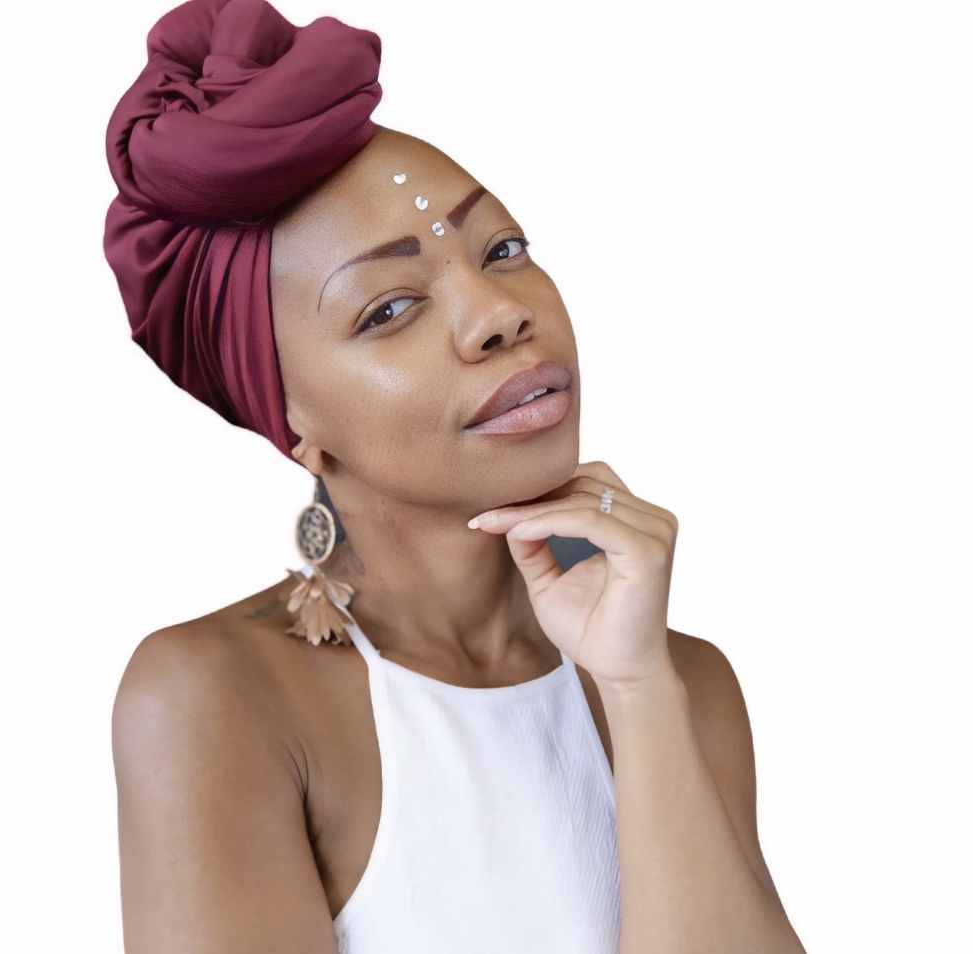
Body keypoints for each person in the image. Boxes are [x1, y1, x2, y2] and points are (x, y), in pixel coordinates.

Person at [103, 1, 806, 952]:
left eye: (503, 251)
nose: (498, 316)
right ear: (293, 422)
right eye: (389, 308)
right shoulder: (216, 696)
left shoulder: (685, 681)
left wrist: (637, 688)